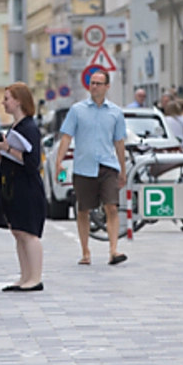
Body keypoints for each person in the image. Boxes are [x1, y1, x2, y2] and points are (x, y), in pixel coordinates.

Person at [54, 69, 128, 266]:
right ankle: (85, 252)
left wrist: (123, 169)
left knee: (111, 207)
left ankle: (113, 250)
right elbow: (66, 137)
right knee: (83, 210)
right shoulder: (77, 110)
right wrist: (59, 162)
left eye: (98, 83)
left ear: (107, 86)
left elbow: (119, 142)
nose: (94, 86)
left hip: (108, 166)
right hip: (84, 167)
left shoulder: (115, 112)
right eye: (92, 83)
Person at [0, 82, 46, 292]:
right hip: (14, 185)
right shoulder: (16, 127)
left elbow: (32, 162)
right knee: (18, 231)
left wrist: (8, 149)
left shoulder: (29, 128)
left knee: (29, 232)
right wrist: (2, 153)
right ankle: (25, 276)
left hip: (27, 187)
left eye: (7, 99)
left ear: (19, 101)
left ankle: (35, 277)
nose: (3, 103)